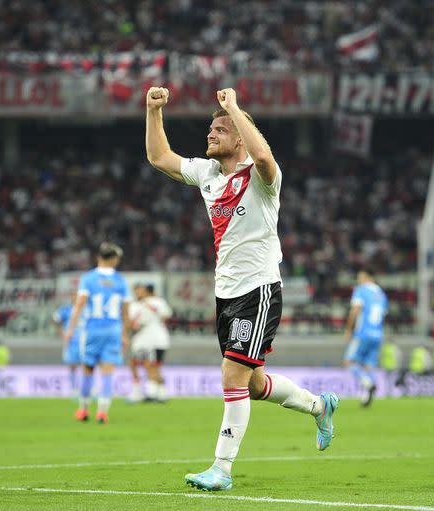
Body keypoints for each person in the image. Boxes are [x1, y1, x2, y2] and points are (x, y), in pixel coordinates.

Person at [145, 86, 339, 491]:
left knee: (232, 376)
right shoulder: (208, 175)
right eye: (210, 130)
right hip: (226, 294)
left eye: (220, 130)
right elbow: (159, 157)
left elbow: (264, 156)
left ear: (238, 136)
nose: (210, 135)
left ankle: (222, 469)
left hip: (259, 289)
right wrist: (153, 111)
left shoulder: (262, 178)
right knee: (251, 384)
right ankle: (320, 406)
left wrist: (233, 108)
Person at [64, 242, 130, 424]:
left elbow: (79, 305)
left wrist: (70, 329)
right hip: (113, 330)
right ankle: (102, 412)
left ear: (98, 257)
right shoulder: (120, 281)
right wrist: (125, 334)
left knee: (87, 368)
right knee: (108, 370)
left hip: (92, 329)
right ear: (115, 259)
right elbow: (125, 311)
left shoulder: (88, 279)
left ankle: (83, 410)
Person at [343, 269, 388, 407]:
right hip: (378, 335)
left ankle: (368, 384)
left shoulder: (361, 290)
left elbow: (356, 310)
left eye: (360, 277)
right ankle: (368, 394)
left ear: (368, 277)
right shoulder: (382, 294)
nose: (358, 280)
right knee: (369, 366)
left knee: (349, 362)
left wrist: (348, 329)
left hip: (363, 333)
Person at [127, 283, 172, 403]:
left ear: (145, 292)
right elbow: (166, 315)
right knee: (154, 366)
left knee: (150, 366)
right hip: (160, 339)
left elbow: (133, 323)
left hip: (148, 340)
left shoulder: (140, 305)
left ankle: (153, 393)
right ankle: (158, 393)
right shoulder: (159, 302)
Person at [53, 302, 87, 397]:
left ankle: (88, 388)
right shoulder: (67, 309)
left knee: (88, 365)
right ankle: (74, 389)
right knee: (72, 366)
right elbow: (55, 319)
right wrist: (62, 333)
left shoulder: (87, 308)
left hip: (86, 341)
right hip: (72, 342)